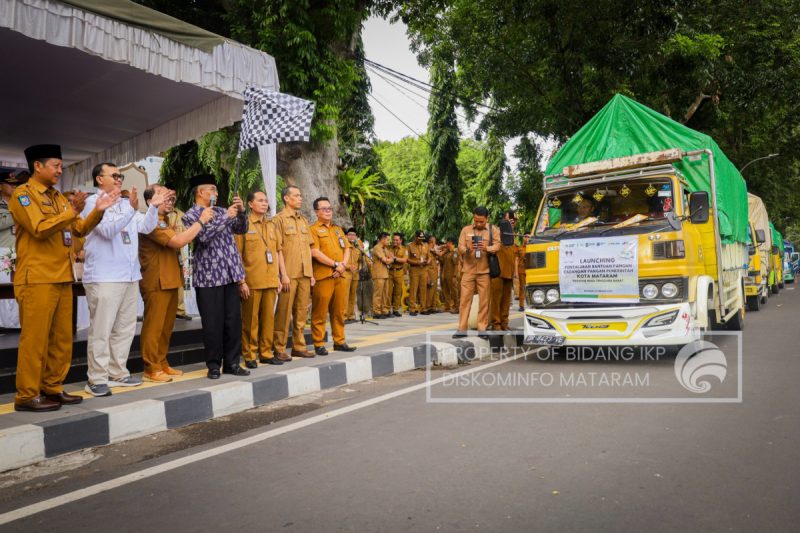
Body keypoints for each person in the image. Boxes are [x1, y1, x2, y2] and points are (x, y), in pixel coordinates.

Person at [10, 144, 119, 411]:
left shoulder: (58, 198)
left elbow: (79, 229)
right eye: (55, 165)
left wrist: (98, 210)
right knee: (35, 339)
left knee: (60, 339)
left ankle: (52, 387)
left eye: (60, 166)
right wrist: (71, 211)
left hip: (61, 277)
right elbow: (39, 228)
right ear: (38, 166)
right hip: (36, 278)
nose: (60, 170)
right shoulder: (24, 195)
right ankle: (27, 395)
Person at [81, 163, 165, 397]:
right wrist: (130, 209)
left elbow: (146, 227)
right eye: (115, 175)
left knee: (125, 328)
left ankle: (117, 372)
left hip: (129, 275)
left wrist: (152, 208)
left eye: (121, 175)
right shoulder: (92, 203)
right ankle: (96, 378)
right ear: (99, 179)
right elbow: (107, 230)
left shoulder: (123, 204)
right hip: (105, 276)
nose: (119, 179)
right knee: (102, 329)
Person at [139, 185, 210, 382]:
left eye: (170, 198)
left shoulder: (167, 220)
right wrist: (201, 222)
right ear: (149, 201)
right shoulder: (152, 222)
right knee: (154, 327)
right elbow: (178, 241)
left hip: (169, 279)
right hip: (156, 280)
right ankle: (150, 367)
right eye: (162, 197)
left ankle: (161, 363)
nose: (168, 201)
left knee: (166, 327)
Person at [182, 174, 250, 379]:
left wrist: (241, 212)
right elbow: (203, 236)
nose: (216, 192)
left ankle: (232, 363)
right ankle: (213, 365)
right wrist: (227, 217)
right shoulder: (191, 215)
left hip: (230, 275)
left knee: (233, 322)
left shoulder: (221, 210)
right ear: (201, 192)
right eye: (212, 189)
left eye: (216, 189)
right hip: (209, 277)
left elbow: (242, 229)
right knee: (212, 323)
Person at [234, 191, 285, 368]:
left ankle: (266, 352)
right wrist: (241, 281)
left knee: (268, 319)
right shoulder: (243, 224)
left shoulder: (271, 225)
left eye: (266, 200)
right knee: (251, 320)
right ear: (250, 204)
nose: (264, 203)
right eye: (260, 200)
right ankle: (249, 354)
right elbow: (238, 254)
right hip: (252, 281)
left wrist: (279, 276)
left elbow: (277, 252)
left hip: (271, 280)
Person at [273, 185, 316, 360]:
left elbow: (308, 247)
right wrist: (282, 274)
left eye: (300, 195)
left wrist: (311, 273)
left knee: (301, 313)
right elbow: (278, 249)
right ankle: (279, 348)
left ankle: (299, 346)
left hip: (305, 273)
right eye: (296, 195)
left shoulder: (304, 220)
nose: (300, 198)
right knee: (283, 313)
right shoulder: (279, 220)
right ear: (286, 198)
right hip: (288, 274)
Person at [309, 197, 356, 354]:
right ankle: (319, 343)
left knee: (339, 311)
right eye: (324, 209)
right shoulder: (313, 229)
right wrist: (335, 264)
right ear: (316, 212)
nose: (328, 211)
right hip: (324, 276)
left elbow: (347, 248)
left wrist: (342, 265)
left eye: (329, 208)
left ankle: (339, 341)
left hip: (340, 275)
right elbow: (315, 252)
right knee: (320, 312)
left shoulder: (338, 229)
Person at [453, 206, 500, 338]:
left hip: (485, 271)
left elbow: (498, 246)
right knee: (464, 300)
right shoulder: (466, 230)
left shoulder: (493, 230)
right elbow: (459, 247)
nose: (478, 224)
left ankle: (482, 329)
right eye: (476, 221)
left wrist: (487, 248)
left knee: (484, 301)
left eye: (481, 221)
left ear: (487, 219)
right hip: (468, 271)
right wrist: (466, 248)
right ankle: (462, 329)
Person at [489, 210, 517, 331]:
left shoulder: (513, 236)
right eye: (509, 219)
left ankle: (504, 323)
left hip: (509, 273)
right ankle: (496, 324)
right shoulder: (496, 232)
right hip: (497, 272)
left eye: (513, 220)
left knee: (506, 301)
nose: (512, 222)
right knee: (496, 300)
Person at [166, 206, 192, 320]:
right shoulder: (156, 214)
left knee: (180, 282)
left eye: (173, 196)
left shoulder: (180, 214)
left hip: (178, 253)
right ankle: (167, 310)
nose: (171, 199)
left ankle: (180, 310)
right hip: (165, 254)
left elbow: (188, 234)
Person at [0, 171, 26, 249]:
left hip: (22, 250)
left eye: (15, 184)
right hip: (3, 251)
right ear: (0, 187)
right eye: (10, 184)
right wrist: (21, 214)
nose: (14, 186)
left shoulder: (23, 204)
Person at [406, 230, 430, 316]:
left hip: (423, 270)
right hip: (414, 270)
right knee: (413, 290)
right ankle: (412, 309)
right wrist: (417, 262)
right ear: (415, 237)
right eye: (419, 238)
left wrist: (428, 261)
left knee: (423, 290)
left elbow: (429, 256)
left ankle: (423, 308)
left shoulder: (426, 245)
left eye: (422, 238)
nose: (421, 240)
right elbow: (407, 259)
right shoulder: (409, 246)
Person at [343, 228, 362, 323]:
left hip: (355, 274)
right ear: (346, 236)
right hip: (345, 274)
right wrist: (348, 266)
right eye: (350, 234)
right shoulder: (343, 247)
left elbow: (360, 261)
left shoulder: (357, 248)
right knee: (345, 296)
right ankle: (344, 316)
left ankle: (351, 315)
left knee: (352, 296)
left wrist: (359, 267)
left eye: (354, 235)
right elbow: (339, 260)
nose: (352, 236)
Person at [371, 232, 391, 318]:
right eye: (387, 239)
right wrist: (390, 259)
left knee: (385, 294)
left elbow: (389, 258)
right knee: (378, 294)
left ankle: (384, 310)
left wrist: (390, 259)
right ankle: (376, 312)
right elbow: (385, 260)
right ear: (382, 239)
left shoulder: (385, 248)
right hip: (378, 273)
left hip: (385, 273)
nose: (388, 241)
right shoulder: (377, 248)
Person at [388, 232, 408, 316]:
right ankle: (388, 310)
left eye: (397, 240)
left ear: (401, 240)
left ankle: (396, 309)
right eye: (394, 240)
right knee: (388, 291)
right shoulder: (389, 248)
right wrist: (390, 257)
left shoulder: (404, 250)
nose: (394, 241)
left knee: (397, 292)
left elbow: (404, 260)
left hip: (399, 272)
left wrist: (395, 258)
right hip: (390, 271)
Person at [440, 237, 460, 313]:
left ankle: (456, 307)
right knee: (445, 291)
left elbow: (456, 265)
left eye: (448, 242)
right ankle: (447, 306)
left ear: (452, 243)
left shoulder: (455, 252)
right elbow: (442, 261)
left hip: (452, 276)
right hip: (445, 275)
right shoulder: (446, 252)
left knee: (454, 291)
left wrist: (454, 276)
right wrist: (440, 254)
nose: (446, 244)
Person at [516, 233, 529, 311]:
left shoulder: (533, 247)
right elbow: (516, 260)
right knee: (522, 288)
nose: (526, 238)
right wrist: (515, 272)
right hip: (521, 270)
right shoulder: (520, 248)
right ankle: (521, 305)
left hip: (531, 270)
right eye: (525, 237)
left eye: (528, 237)